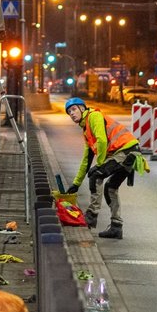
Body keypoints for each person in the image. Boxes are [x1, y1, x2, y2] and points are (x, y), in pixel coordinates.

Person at [64, 97, 147, 240]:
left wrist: (100, 164)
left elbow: (102, 140)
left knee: (96, 175)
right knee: (110, 187)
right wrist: (76, 184)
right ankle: (116, 227)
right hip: (129, 153)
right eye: (69, 112)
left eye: (73, 109)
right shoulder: (86, 131)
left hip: (127, 151)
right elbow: (86, 160)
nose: (71, 113)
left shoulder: (94, 116)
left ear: (82, 108)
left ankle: (91, 216)